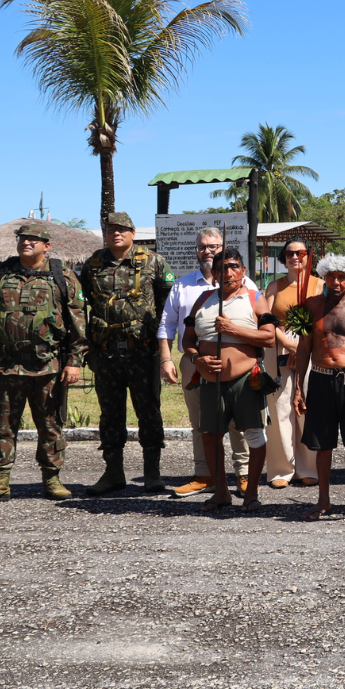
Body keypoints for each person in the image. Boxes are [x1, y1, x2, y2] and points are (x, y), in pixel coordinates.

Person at [0, 222, 88, 508]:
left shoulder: (62, 275)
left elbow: (79, 321)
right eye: (22, 238)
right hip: (6, 366)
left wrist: (74, 361)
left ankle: (52, 478)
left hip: (47, 366)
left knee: (50, 424)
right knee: (2, 424)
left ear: (47, 245)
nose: (26, 243)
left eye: (33, 239)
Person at [79, 212, 176, 496]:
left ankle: (152, 473)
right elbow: (82, 304)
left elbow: (167, 307)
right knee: (110, 414)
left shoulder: (154, 262)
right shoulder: (93, 264)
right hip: (106, 353)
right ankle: (113, 473)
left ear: (133, 233)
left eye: (122, 229)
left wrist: (164, 349)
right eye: (111, 229)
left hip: (142, 352)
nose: (116, 233)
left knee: (149, 412)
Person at [158, 227, 258, 497]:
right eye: (203, 247)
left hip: (238, 367)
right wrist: (167, 358)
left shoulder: (247, 286)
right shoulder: (184, 285)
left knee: (238, 422)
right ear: (197, 251)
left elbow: (260, 327)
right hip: (195, 364)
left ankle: (243, 474)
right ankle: (205, 474)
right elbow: (168, 323)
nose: (208, 251)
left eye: (213, 246)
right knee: (201, 422)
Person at [182, 247, 276, 513]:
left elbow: (269, 337)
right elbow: (188, 340)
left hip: (246, 380)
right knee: (210, 436)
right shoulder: (203, 300)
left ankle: (252, 493)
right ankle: (221, 493)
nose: (228, 272)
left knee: (254, 434)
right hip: (210, 381)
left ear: (243, 270)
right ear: (214, 273)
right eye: (221, 268)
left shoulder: (255, 298)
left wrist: (233, 329)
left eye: (234, 266)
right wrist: (197, 358)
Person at [289, 254, 345, 520]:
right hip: (321, 378)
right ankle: (323, 500)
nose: (336, 282)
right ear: (324, 278)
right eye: (330, 276)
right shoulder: (311, 305)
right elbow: (304, 348)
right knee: (322, 443)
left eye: (342, 277)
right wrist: (298, 387)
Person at [260, 238, 321, 489]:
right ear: (284, 257)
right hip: (280, 347)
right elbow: (266, 319)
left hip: (313, 346)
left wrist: (304, 345)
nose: (295, 257)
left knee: (308, 404)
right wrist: (287, 342)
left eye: (300, 252)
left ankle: (308, 467)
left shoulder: (320, 284)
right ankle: (281, 469)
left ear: (309, 256)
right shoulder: (275, 286)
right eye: (289, 253)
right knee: (280, 406)